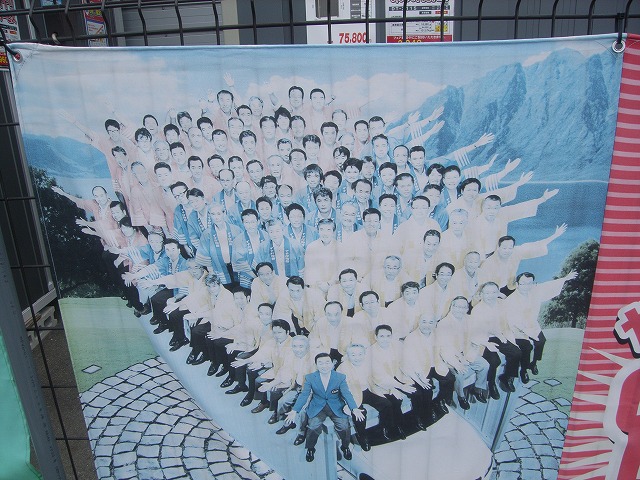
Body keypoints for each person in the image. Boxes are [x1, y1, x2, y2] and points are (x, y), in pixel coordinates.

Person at [284, 352, 364, 462]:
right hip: (317, 406)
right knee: (312, 427)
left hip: (336, 406)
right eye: (320, 363)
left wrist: (354, 408)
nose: (324, 366)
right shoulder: (310, 378)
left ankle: (345, 447)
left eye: (327, 362)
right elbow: (304, 395)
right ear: (316, 365)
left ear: (332, 364)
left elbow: (347, 393)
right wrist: (294, 410)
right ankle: (311, 448)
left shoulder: (340, 377)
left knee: (344, 426)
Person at [504, 271, 577, 383]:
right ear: (517, 284)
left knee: (541, 341)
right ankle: (524, 370)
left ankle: (534, 363)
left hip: (532, 325)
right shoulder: (511, 300)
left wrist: (565, 278)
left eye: (530, 283)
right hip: (517, 329)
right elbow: (513, 320)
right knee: (527, 348)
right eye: (523, 283)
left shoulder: (535, 291)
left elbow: (548, 286)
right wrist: (526, 331)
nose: (527, 286)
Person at [437, 296, 490, 408]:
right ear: (452, 307)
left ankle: (478, 388)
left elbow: (478, 335)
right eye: (457, 307)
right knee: (459, 374)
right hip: (450, 356)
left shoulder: (469, 319)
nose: (460, 310)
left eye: (463, 307)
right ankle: (461, 396)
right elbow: (444, 349)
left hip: (466, 352)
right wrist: (457, 364)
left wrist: (482, 345)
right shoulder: (443, 323)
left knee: (485, 365)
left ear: (467, 309)